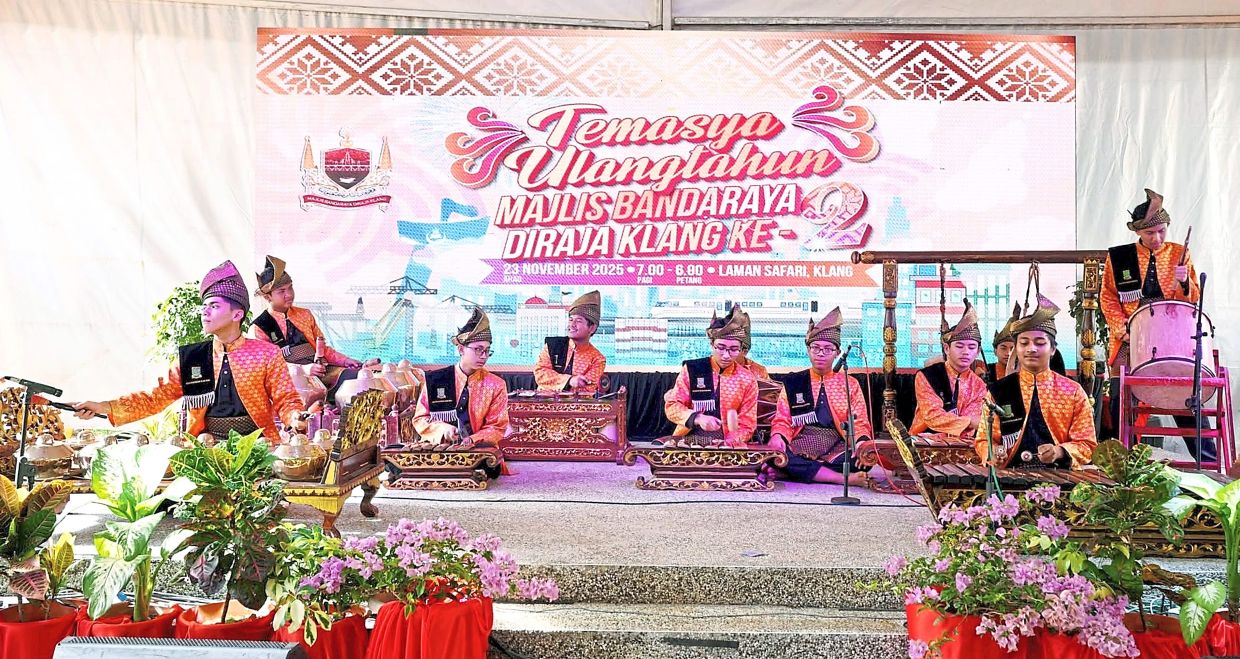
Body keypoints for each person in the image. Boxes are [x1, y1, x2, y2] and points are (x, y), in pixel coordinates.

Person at [71, 261, 304, 442]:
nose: (205, 312)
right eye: (204, 306)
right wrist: (104, 406)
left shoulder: (266, 354)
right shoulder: (194, 357)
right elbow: (156, 397)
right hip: (205, 447)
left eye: (214, 306)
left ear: (237, 314)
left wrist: (295, 416)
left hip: (257, 446)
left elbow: (286, 399)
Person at [1099, 188, 1211, 460]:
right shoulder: (1120, 258)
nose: (1157, 238)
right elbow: (1108, 296)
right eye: (1150, 233)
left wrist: (1184, 281)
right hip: (1130, 335)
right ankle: (1122, 461)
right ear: (1137, 232)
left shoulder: (1178, 253)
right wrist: (1119, 327)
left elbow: (1193, 299)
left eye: (1162, 231)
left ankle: (1207, 462)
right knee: (1119, 395)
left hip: (1171, 336)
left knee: (1185, 395)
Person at [978, 294, 1096, 469]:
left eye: (1040, 343)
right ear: (1016, 349)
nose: (1031, 349)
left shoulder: (1072, 391)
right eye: (1024, 343)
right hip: (1009, 477)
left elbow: (1087, 444)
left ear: (1053, 349)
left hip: (1060, 478)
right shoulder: (999, 391)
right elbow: (983, 440)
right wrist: (994, 453)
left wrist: (1059, 451)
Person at [250, 255, 378, 402]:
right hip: (290, 379)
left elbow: (323, 350)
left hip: (320, 371)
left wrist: (346, 361)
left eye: (290, 287)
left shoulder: (304, 314)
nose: (289, 294)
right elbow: (270, 365)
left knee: (357, 378)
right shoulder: (261, 325)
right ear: (268, 297)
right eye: (282, 291)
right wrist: (303, 370)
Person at [768, 308, 873, 485]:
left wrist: (861, 443)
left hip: (838, 443)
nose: (821, 354)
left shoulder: (850, 383)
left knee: (863, 459)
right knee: (776, 455)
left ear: (837, 352)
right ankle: (841, 479)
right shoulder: (795, 382)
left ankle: (799, 472)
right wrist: (778, 435)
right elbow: (782, 419)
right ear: (808, 350)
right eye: (815, 348)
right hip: (802, 441)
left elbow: (859, 421)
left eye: (827, 349)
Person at [411, 307, 509, 478]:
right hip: (440, 449)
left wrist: (472, 440)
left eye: (487, 351)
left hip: (478, 452)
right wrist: (441, 429)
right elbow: (420, 419)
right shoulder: (437, 380)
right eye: (478, 349)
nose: (484, 356)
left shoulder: (496, 384)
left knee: (481, 472)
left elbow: (497, 427)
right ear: (461, 350)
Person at [663, 306, 759, 447]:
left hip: (728, 441)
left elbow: (747, 423)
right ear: (711, 344)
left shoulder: (747, 379)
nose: (726, 355)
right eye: (720, 348)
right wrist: (697, 418)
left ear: (741, 348)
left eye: (733, 350)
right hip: (689, 436)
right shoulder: (692, 370)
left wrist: (731, 441)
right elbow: (672, 406)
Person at [911, 300, 987, 437]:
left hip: (962, 443)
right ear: (947, 348)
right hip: (924, 441)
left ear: (977, 352)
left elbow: (971, 427)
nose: (965, 352)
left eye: (971, 347)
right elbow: (933, 417)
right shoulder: (927, 376)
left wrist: (969, 423)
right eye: (959, 346)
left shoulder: (979, 385)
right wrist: (969, 422)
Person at [532, 290, 607, 396]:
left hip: (577, 409)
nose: (572, 325)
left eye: (579, 321)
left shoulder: (597, 359)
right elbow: (540, 374)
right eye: (571, 320)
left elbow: (587, 390)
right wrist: (570, 380)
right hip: (544, 404)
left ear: (592, 328)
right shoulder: (552, 346)